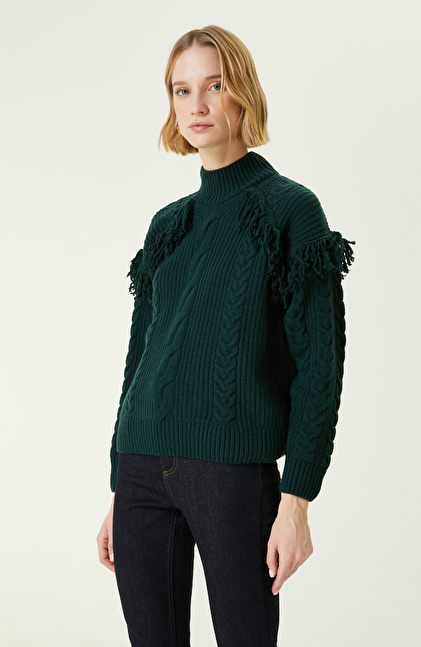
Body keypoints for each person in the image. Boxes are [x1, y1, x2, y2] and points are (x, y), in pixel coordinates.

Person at [97, 24, 355, 647]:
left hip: (232, 472)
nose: (198, 105)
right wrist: (117, 484)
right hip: (140, 468)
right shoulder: (168, 225)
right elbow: (139, 358)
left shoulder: (290, 210)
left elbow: (319, 364)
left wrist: (297, 498)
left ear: (243, 91)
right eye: (181, 90)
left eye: (214, 85)